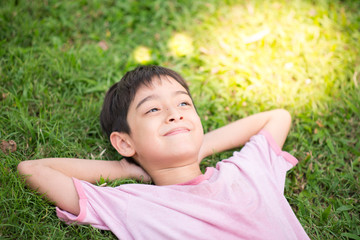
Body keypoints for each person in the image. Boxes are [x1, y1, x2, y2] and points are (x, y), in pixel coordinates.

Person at [18, 65, 310, 239]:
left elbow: (278, 117)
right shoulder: (133, 203)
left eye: (184, 104)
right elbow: (34, 170)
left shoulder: (247, 171)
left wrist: (199, 147)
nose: (175, 114)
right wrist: (123, 169)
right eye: (154, 109)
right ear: (125, 143)